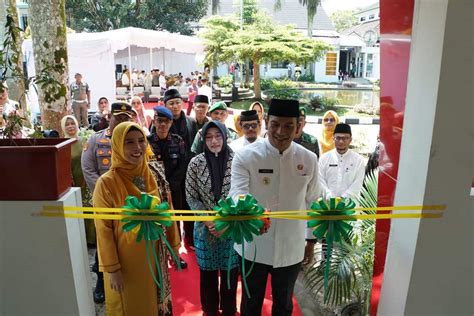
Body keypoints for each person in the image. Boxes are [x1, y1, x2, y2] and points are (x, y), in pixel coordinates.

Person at [229, 98, 320, 316]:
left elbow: (313, 200)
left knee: (284, 305)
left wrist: (310, 240)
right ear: (266, 122)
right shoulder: (245, 156)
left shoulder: (308, 159)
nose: (281, 131)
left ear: (298, 127)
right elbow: (237, 194)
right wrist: (251, 216)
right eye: (275, 124)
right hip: (253, 245)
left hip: (291, 247)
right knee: (251, 305)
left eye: (289, 125)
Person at [93, 122, 173, 315]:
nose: (137, 148)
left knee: (154, 305)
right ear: (118, 146)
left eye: (141, 141)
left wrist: (173, 244)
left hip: (155, 256)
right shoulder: (106, 183)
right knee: (130, 306)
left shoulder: (154, 175)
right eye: (129, 142)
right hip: (126, 263)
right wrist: (112, 269)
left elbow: (168, 210)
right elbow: (103, 230)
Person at [82, 102, 135, 304]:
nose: (122, 120)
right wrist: (106, 194)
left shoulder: (134, 139)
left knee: (127, 242)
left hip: (129, 203)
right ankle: (101, 282)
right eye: (118, 116)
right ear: (109, 118)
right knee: (104, 240)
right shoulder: (96, 139)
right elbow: (88, 169)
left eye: (126, 117)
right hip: (104, 202)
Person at [186, 121, 239, 316]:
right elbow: (191, 197)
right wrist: (209, 220)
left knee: (229, 274)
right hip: (204, 228)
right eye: (209, 137)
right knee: (207, 275)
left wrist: (225, 221)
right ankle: (209, 310)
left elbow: (241, 193)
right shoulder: (195, 163)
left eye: (218, 135)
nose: (214, 141)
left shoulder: (237, 160)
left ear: (225, 136)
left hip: (231, 227)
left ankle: (229, 310)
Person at [147, 106, 188, 269]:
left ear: (171, 123)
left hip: (174, 190)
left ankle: (176, 254)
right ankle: (158, 256)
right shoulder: (147, 142)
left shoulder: (178, 141)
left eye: (166, 121)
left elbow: (183, 163)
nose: (162, 125)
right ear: (154, 121)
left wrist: (170, 184)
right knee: (155, 223)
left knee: (175, 223)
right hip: (153, 190)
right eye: (159, 121)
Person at [164, 88, 198, 249]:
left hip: (189, 174)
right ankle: (175, 243)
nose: (175, 106)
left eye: (177, 102)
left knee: (190, 207)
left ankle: (190, 239)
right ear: (165, 105)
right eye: (171, 103)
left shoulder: (191, 122)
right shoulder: (161, 123)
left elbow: (195, 147)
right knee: (174, 211)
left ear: (183, 103)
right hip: (170, 175)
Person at [60, 115, 95, 244]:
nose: (70, 126)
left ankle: (93, 239)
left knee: (89, 208)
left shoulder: (84, 141)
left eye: (72, 123)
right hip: (71, 183)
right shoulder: (62, 145)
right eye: (67, 124)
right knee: (76, 210)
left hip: (87, 180)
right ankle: (80, 240)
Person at [319, 123, 365, 200]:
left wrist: (343, 198)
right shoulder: (324, 159)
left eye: (345, 138)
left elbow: (358, 183)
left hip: (350, 206)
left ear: (350, 140)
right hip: (328, 204)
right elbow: (320, 181)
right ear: (333, 139)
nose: (341, 141)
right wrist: (329, 196)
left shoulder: (358, 160)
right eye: (338, 138)